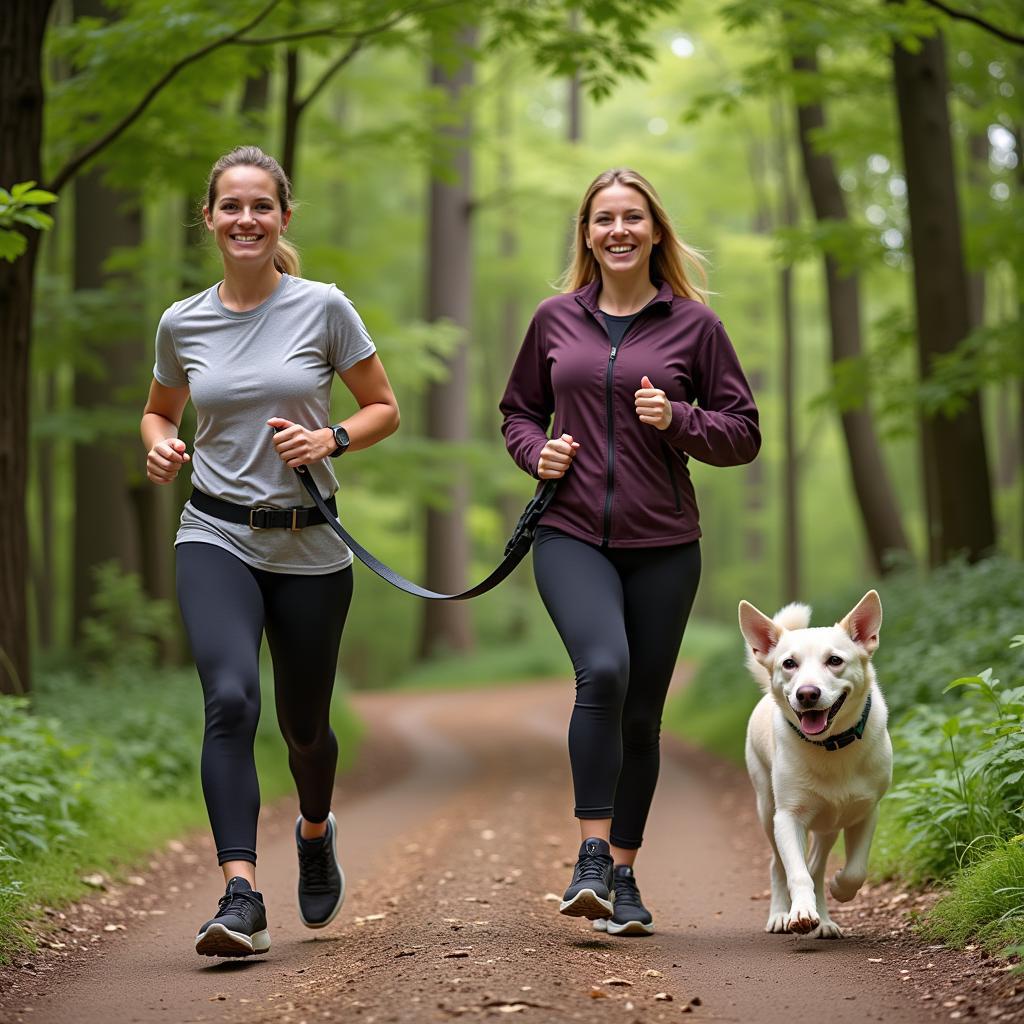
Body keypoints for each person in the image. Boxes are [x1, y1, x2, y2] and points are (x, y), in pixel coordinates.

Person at [140, 145, 400, 958]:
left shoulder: (323, 308)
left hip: (311, 544)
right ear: (209, 218)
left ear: (283, 217)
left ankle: (314, 831)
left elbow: (384, 407)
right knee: (230, 698)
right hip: (213, 532)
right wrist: (159, 445)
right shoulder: (182, 321)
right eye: (231, 206)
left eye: (261, 206)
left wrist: (332, 437)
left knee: (305, 728)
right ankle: (240, 893)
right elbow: (159, 411)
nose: (245, 219)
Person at [499, 168, 760, 936]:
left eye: (632, 218)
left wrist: (677, 418)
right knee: (603, 670)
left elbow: (742, 434)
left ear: (654, 231)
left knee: (642, 716)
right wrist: (534, 453)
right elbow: (518, 411)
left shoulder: (696, 328)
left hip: (665, 544)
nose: (618, 230)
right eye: (603, 218)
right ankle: (589, 854)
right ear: (586, 232)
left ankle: (624, 871)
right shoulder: (554, 319)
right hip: (570, 531)